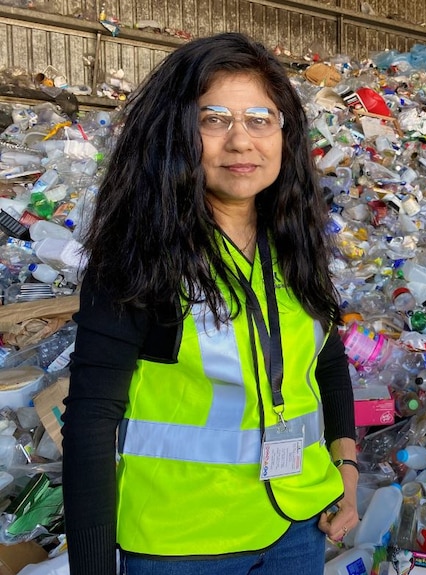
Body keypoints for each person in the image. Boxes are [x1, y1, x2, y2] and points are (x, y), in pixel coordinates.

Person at [61, 32, 359, 575]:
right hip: (184, 540)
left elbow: (326, 360)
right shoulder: (137, 258)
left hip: (297, 523)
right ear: (175, 134)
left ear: (284, 135)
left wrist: (346, 465)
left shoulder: (293, 244)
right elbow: (90, 420)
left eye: (260, 119)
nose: (241, 142)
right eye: (214, 119)